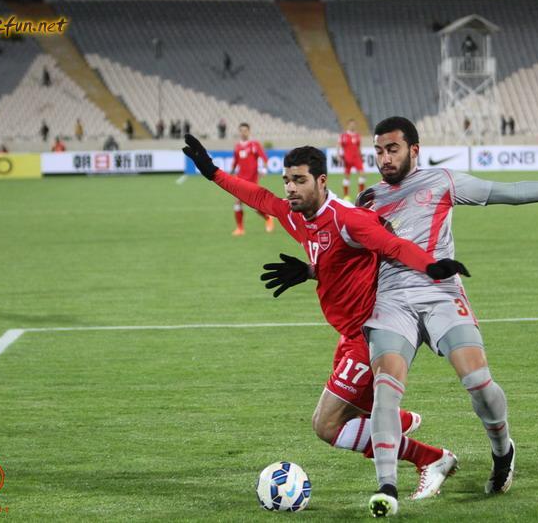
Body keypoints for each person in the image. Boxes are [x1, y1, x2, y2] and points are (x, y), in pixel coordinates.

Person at [267, 117, 538, 517]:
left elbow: (512, 192)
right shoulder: (367, 199)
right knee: (386, 391)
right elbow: (352, 255)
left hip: (440, 293)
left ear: (414, 150)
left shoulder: (443, 181)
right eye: (378, 151)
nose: (384, 158)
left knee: (478, 382)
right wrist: (311, 270)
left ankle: (503, 451)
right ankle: (387, 488)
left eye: (393, 149)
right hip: (390, 302)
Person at [182, 136, 469, 501]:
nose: (290, 188)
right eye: (287, 180)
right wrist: (212, 172)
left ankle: (431, 458)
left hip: (371, 334)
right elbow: (259, 198)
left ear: (321, 181)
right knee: (355, 413)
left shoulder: (347, 218)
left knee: (327, 425)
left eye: (299, 180)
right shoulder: (297, 215)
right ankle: (394, 419)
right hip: (348, 334)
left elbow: (393, 245)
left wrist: (432, 266)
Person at [231, 123, 272, 235]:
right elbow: (235, 162)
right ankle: (240, 229)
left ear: (249, 131)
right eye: (241, 131)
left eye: (245, 130)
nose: (243, 133)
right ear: (239, 132)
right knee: (237, 203)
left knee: (254, 206)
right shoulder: (237, 147)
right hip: (240, 180)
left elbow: (264, 158)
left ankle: (268, 218)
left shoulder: (254, 144)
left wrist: (264, 169)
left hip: (252, 180)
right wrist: (231, 173)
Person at [338, 118, 365, 201]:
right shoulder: (343, 136)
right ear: (348, 125)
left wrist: (361, 156)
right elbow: (339, 146)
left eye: (354, 124)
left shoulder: (357, 136)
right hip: (347, 159)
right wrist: (339, 156)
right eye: (351, 124)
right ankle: (346, 196)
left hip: (357, 158)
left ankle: (361, 195)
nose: (352, 126)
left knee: (362, 174)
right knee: (347, 177)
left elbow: (359, 147)